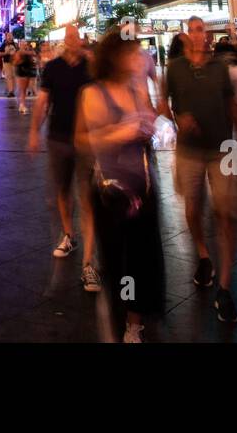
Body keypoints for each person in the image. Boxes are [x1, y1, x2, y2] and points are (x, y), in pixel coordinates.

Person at [80, 29, 164, 343]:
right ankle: (116, 312)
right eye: (132, 52)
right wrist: (124, 131)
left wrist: (150, 121)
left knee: (143, 258)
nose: (138, 57)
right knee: (119, 259)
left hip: (142, 186)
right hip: (110, 191)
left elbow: (151, 118)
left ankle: (134, 322)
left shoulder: (134, 87)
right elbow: (92, 139)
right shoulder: (93, 93)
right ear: (115, 57)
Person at [164, 18, 237, 322]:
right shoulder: (175, 69)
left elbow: (232, 108)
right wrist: (178, 119)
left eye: (202, 31)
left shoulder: (220, 68)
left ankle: (224, 287)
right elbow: (165, 102)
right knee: (192, 208)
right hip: (189, 150)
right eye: (193, 30)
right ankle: (202, 253)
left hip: (222, 149)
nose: (199, 36)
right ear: (187, 35)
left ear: (208, 36)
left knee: (226, 213)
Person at [28, 24, 100, 293]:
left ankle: (88, 263)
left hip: (86, 140)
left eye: (76, 36)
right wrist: (35, 131)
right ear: (64, 40)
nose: (72, 40)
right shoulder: (53, 68)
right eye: (69, 36)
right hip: (58, 138)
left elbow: (102, 95)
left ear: (80, 39)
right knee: (62, 191)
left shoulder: (90, 67)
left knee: (87, 196)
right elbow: (43, 101)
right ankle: (69, 234)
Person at [15, 40, 38, 114]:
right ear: (20, 45)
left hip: (28, 71)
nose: (24, 45)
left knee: (27, 89)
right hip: (21, 71)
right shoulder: (19, 52)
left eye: (25, 44)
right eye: (23, 44)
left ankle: (22, 104)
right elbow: (16, 62)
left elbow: (33, 57)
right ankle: (21, 104)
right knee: (23, 89)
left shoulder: (28, 51)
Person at [0, 32, 18, 97]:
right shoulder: (4, 44)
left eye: (11, 36)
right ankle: (11, 91)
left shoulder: (15, 44)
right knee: (9, 76)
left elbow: (19, 52)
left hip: (14, 62)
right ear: (6, 37)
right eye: (8, 36)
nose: (10, 37)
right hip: (7, 62)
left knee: (14, 77)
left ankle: (12, 90)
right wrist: (6, 53)